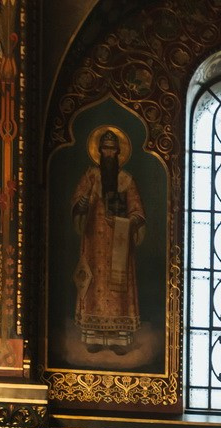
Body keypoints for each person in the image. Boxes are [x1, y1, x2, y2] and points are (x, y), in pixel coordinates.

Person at [72, 126, 144, 352]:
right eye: (105, 149)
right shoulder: (91, 176)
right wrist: (82, 204)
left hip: (118, 243)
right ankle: (92, 336)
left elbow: (137, 211)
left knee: (118, 289)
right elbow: (77, 202)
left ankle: (119, 339)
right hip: (93, 242)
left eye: (113, 150)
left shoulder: (126, 180)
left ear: (118, 153)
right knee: (93, 284)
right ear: (99, 151)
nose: (109, 154)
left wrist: (128, 221)